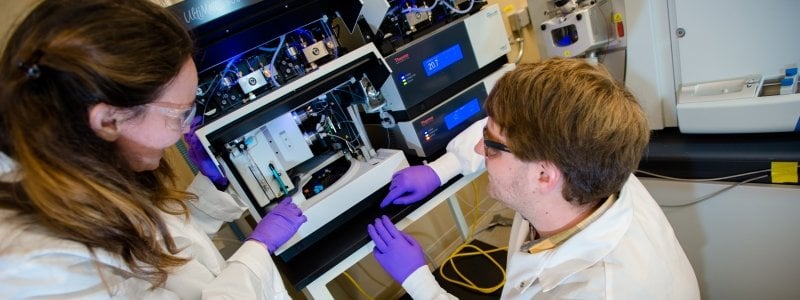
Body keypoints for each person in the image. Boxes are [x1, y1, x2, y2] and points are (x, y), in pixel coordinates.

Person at [0, 0, 306, 298]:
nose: (187, 128)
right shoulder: (37, 271)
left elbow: (162, 251)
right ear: (108, 120)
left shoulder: (81, 173)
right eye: (179, 114)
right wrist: (255, 255)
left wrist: (214, 187)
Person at [368, 58, 700, 299]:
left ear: (544, 175)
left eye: (491, 148)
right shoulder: (596, 161)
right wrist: (441, 168)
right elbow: (511, 133)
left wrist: (419, 283)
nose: (480, 149)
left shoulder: (593, 291)